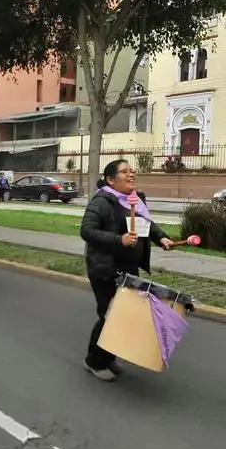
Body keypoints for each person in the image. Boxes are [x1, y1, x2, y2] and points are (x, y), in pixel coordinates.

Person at [80, 159, 175, 382]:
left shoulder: (135, 200)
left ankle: (108, 356)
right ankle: (94, 361)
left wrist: (161, 237)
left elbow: (146, 224)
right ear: (111, 180)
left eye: (132, 171)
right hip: (105, 269)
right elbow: (87, 231)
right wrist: (118, 239)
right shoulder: (102, 201)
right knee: (110, 315)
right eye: (124, 172)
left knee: (124, 316)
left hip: (129, 269)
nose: (131, 175)